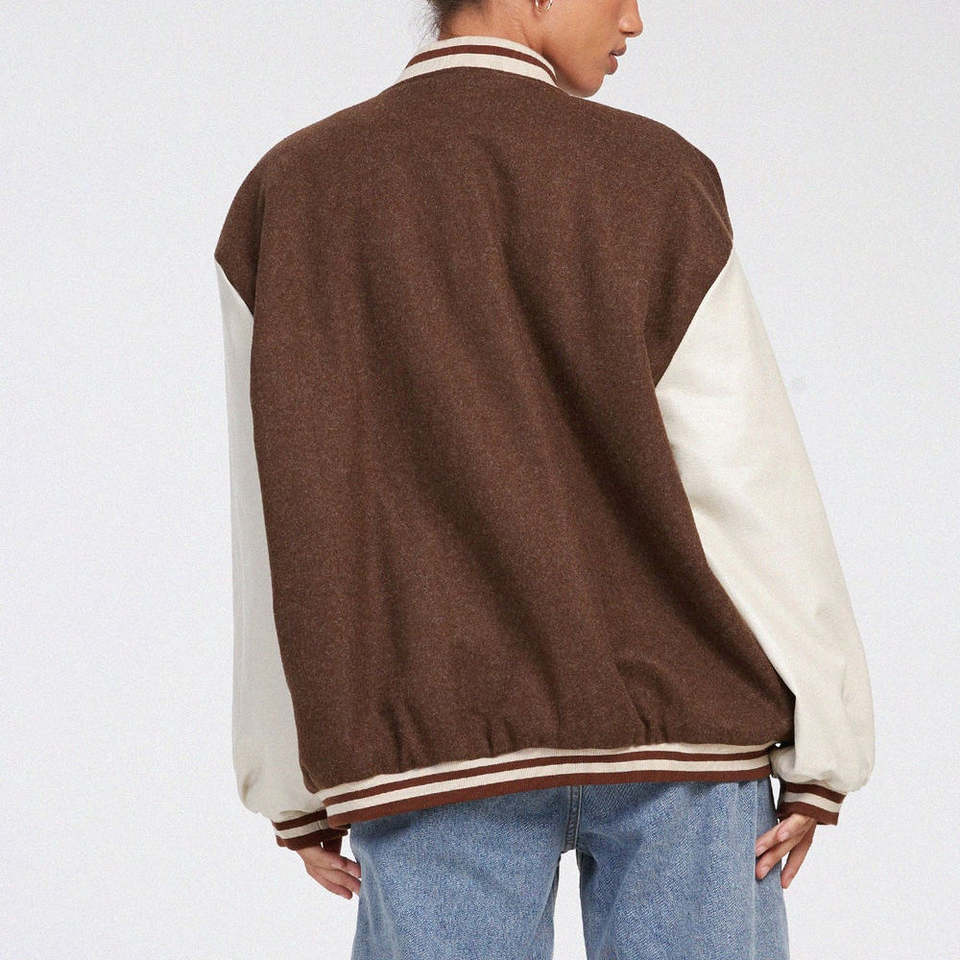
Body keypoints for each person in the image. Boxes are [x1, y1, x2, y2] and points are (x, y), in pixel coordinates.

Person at [213, 1, 876, 957]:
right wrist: (826, 748)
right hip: (682, 731)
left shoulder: (292, 191)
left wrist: (291, 774)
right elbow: (747, 477)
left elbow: (280, 508)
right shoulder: (652, 175)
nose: (635, 20)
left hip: (431, 741)